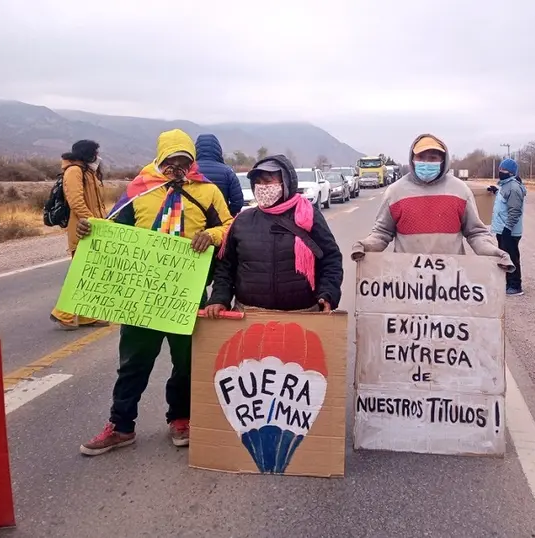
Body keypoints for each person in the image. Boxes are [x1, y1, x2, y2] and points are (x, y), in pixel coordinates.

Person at [78, 129, 233, 456]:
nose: (177, 167)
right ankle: (121, 426)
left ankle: (180, 419)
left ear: (192, 161)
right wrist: (90, 230)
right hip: (141, 295)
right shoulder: (139, 189)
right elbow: (112, 230)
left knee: (187, 362)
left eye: (184, 161)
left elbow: (231, 225)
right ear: (159, 159)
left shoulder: (208, 192)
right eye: (171, 161)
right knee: (133, 361)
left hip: (187, 294)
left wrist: (212, 234)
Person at [350, 134, 514, 271]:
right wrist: (365, 246)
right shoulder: (395, 192)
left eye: (433, 157)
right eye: (421, 157)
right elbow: (381, 233)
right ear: (412, 158)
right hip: (406, 283)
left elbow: (476, 233)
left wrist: (493, 252)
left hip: (451, 283)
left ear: (442, 160)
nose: (426, 162)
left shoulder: (460, 190)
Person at [205, 155, 343, 315]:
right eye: (258, 182)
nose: (262, 187)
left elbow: (331, 259)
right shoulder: (242, 220)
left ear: (286, 182)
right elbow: (225, 266)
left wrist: (328, 294)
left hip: (302, 315)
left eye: (268, 181)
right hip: (249, 315)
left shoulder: (308, 216)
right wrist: (219, 298)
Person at [50, 140, 107, 330]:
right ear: (87, 153)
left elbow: (97, 202)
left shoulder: (89, 172)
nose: (98, 156)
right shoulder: (74, 171)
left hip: (93, 230)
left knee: (90, 274)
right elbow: (76, 201)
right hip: (83, 231)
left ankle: (86, 316)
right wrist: (93, 222)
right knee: (81, 273)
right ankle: (63, 313)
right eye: (96, 152)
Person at [491, 158, 527, 296]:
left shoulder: (513, 187)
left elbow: (515, 210)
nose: (501, 172)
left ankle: (515, 285)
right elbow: (504, 200)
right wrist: (496, 191)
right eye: (500, 169)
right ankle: (507, 283)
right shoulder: (505, 185)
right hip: (503, 229)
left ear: (511, 173)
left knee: (512, 256)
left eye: (504, 170)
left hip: (509, 231)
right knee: (505, 256)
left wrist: (508, 228)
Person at [195, 134, 244, 216]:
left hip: (194, 222)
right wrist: (226, 215)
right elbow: (237, 202)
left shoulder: (189, 171)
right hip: (220, 222)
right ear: (218, 149)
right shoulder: (227, 172)